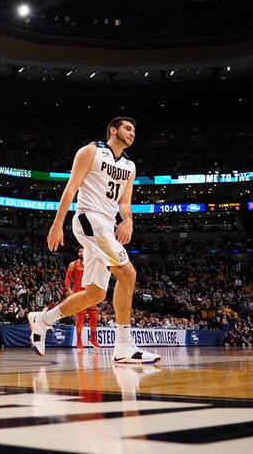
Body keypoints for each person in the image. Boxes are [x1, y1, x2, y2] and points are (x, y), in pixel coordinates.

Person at [29, 117, 161, 365]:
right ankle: (123, 347)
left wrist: (128, 221)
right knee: (127, 273)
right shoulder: (91, 151)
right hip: (90, 219)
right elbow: (71, 188)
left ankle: (43, 320)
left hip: (107, 226)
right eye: (128, 128)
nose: (133, 133)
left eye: (135, 130)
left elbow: (124, 203)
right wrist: (57, 224)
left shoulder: (130, 167)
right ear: (114, 130)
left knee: (95, 294)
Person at [66, 248, 99, 349]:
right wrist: (69, 289)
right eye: (80, 251)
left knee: (94, 316)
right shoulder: (73, 264)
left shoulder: (91, 263)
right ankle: (79, 340)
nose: (81, 253)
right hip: (79, 293)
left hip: (90, 293)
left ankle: (93, 339)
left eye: (83, 251)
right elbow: (67, 277)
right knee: (80, 317)